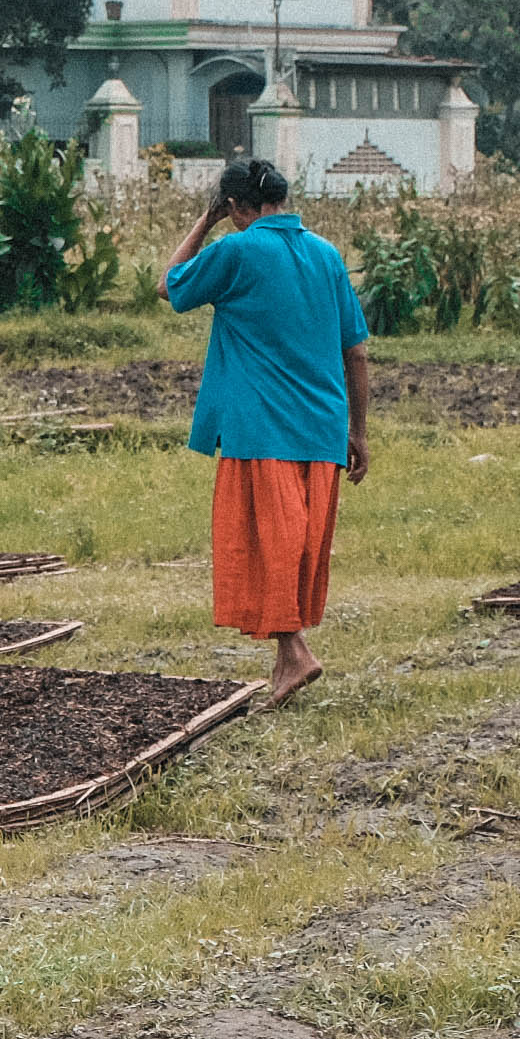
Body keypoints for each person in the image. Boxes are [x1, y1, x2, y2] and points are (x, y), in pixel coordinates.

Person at [163, 156, 370, 709]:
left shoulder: (236, 248)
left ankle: (296, 650)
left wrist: (203, 224)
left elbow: (169, 286)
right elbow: (356, 351)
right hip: (323, 427)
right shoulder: (326, 255)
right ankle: (287, 656)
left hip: (262, 426)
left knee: (263, 544)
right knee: (297, 549)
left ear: (234, 208)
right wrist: (360, 432)